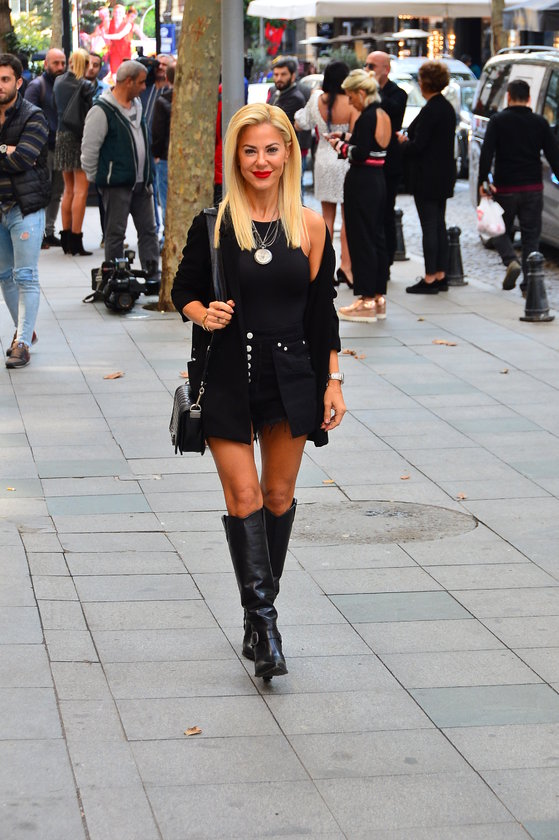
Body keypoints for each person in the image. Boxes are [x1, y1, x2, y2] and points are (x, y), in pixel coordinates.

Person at [171, 103, 346, 679]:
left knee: (277, 495)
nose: (261, 161)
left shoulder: (310, 226)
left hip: (292, 375)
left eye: (272, 149)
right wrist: (205, 313)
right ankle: (266, 626)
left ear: (289, 153)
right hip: (227, 373)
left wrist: (333, 381)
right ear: (235, 157)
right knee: (243, 496)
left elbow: (322, 313)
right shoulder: (215, 224)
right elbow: (182, 291)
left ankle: (255, 616)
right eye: (250, 151)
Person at [80, 60, 160, 292]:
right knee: (115, 233)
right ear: (128, 81)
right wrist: (98, 178)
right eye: (141, 82)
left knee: (149, 230)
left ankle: (152, 274)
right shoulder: (101, 110)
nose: (145, 87)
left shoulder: (137, 105)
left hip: (142, 183)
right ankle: (115, 278)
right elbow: (89, 148)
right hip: (116, 184)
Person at [478, 79, 559, 296]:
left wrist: (483, 182)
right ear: (529, 98)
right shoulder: (540, 122)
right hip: (533, 188)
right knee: (531, 237)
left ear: (509, 97)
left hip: (505, 188)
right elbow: (554, 156)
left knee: (496, 229)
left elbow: (486, 154)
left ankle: (510, 260)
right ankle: (528, 285)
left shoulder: (498, 121)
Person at [326, 70, 391, 322]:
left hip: (362, 182)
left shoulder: (366, 117)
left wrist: (338, 146)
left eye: (352, 97)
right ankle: (378, 296)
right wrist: (345, 137)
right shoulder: (382, 114)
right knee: (376, 237)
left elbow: (360, 153)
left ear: (361, 93)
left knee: (361, 239)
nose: (350, 103)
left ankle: (365, 299)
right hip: (378, 180)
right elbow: (371, 145)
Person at [0, 53, 50, 368]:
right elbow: (14, 156)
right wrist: (6, 149)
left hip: (25, 207)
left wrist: (13, 153)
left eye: (5, 79)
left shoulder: (34, 116)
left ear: (18, 82)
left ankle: (21, 344)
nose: (0, 85)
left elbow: (23, 159)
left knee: (26, 275)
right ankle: (25, 330)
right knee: (4, 275)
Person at [295, 60, 357, 287]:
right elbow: (356, 133)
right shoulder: (350, 102)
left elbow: (301, 123)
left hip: (323, 158)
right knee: (348, 218)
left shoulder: (316, 99)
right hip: (345, 158)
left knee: (326, 217)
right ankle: (347, 266)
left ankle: (325, 269)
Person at [398, 61, 456, 295]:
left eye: (421, 80)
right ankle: (441, 274)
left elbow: (418, 145)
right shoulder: (446, 107)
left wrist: (403, 143)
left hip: (427, 175)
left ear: (426, 83)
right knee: (439, 224)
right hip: (443, 174)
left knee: (430, 226)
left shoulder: (432, 109)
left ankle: (431, 276)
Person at [365, 51, 408, 273]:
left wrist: (373, 89)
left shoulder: (397, 93)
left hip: (389, 162)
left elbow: (393, 111)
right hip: (368, 161)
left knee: (386, 213)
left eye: (372, 66)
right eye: (366, 65)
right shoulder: (365, 93)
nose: (367, 70)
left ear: (386, 69)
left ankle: (387, 261)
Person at [24, 48, 66, 249]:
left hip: (62, 147)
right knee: (42, 191)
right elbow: (27, 116)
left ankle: (48, 232)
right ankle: (38, 233)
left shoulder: (64, 85)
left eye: (63, 63)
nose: (60, 67)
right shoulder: (36, 86)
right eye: (56, 63)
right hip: (43, 148)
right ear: (46, 64)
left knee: (56, 192)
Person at [53, 49, 94, 256]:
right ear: (85, 64)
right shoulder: (85, 85)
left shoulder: (58, 82)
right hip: (79, 137)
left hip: (61, 136)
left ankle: (66, 239)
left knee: (68, 190)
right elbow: (89, 113)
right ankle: (76, 240)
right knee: (81, 191)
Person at [151, 62, 174, 231]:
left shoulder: (162, 100)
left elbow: (157, 131)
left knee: (166, 199)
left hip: (166, 157)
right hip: (182, 157)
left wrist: (156, 154)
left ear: (167, 78)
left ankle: (167, 234)